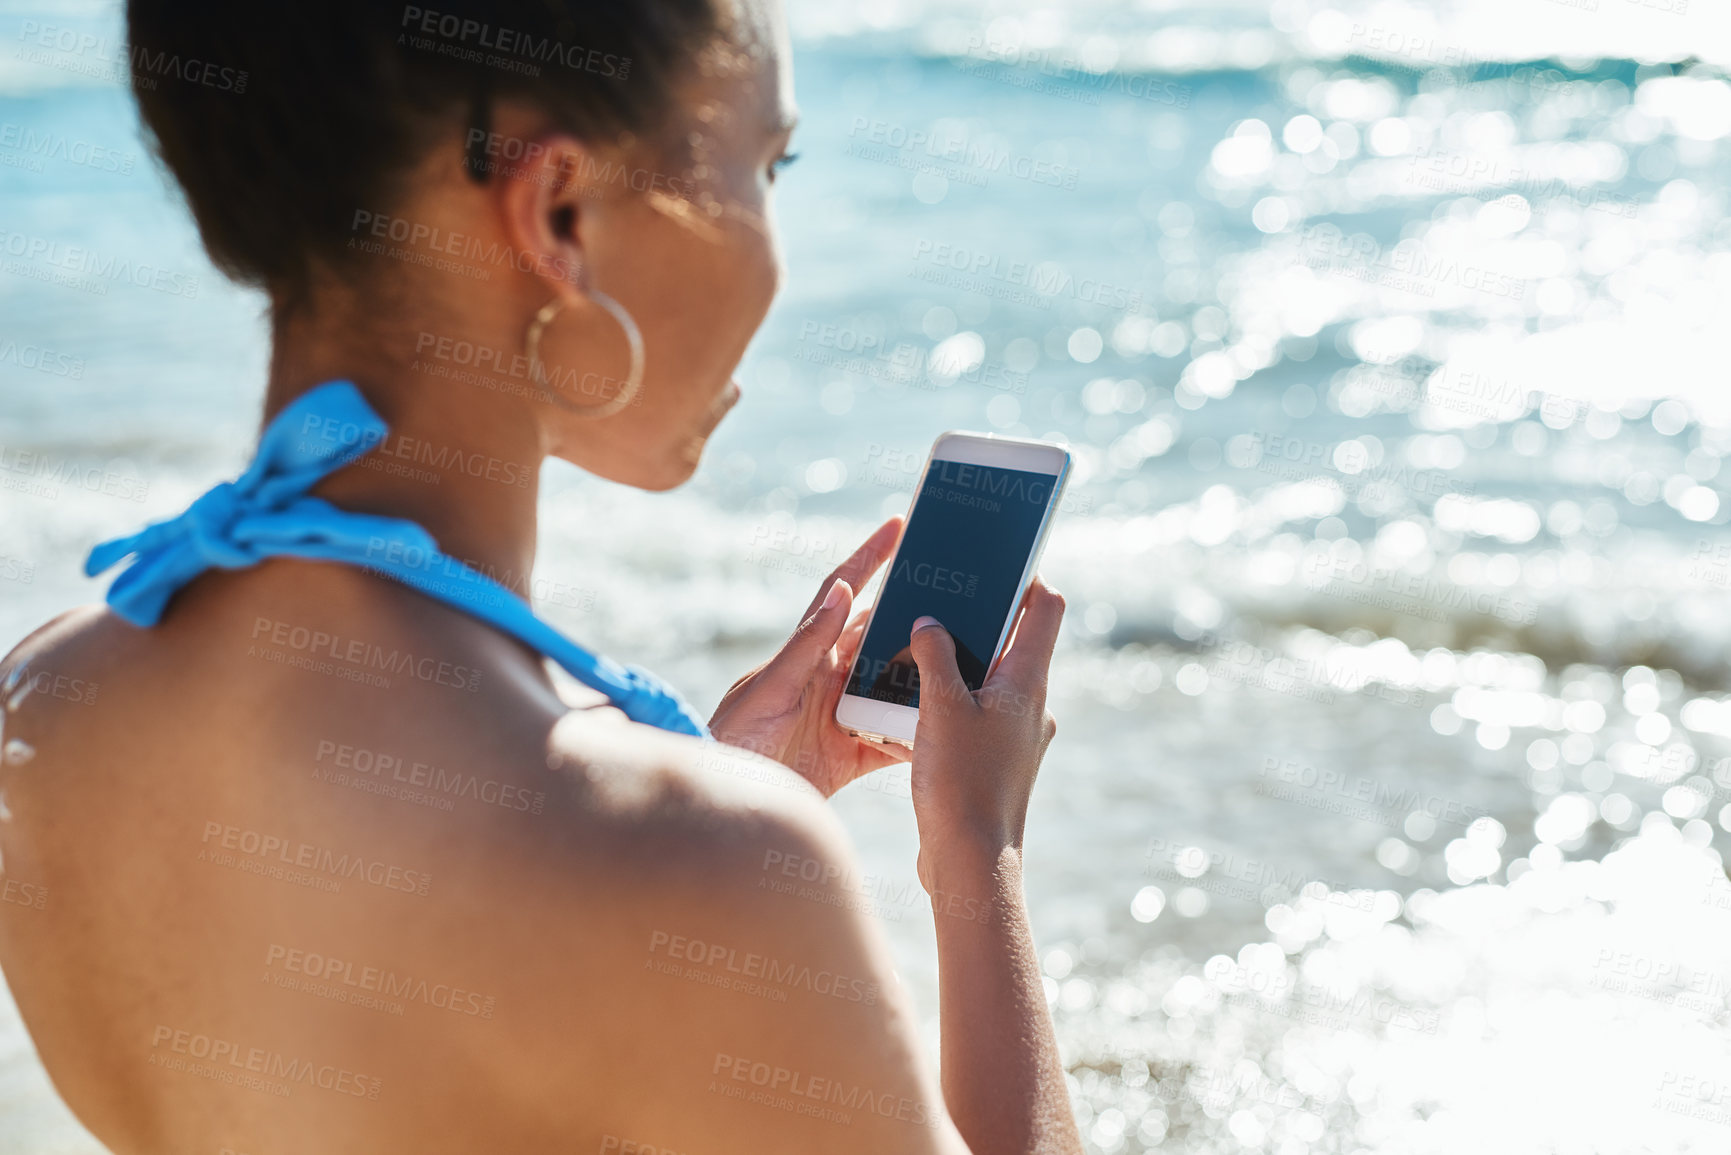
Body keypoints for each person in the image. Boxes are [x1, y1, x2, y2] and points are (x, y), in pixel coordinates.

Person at [0, 1, 1081, 1151]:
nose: (778, 240)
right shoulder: (706, 863)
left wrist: (702, 813)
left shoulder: (48, 704)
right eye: (769, 164)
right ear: (559, 211)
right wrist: (974, 847)